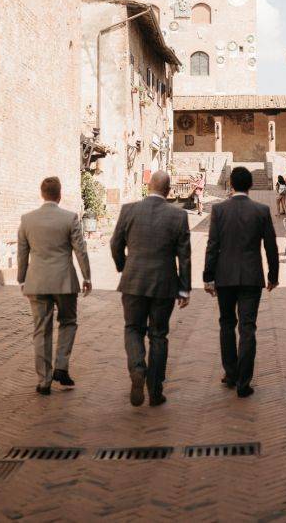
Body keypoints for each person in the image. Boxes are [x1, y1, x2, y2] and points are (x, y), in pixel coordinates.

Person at [110, 171, 191, 407]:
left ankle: (137, 368)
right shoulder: (178, 215)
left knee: (133, 328)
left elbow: (115, 244)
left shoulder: (129, 210)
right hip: (164, 285)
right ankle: (155, 391)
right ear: (168, 191)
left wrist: (124, 267)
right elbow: (184, 256)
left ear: (148, 186)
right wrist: (184, 289)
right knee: (158, 335)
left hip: (133, 281)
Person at [203, 167, 279, 398]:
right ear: (250, 185)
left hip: (224, 277)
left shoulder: (219, 210)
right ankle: (244, 383)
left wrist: (208, 276)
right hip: (251, 277)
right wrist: (273, 276)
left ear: (231, 184)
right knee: (247, 328)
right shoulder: (261, 210)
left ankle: (231, 373)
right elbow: (270, 247)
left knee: (226, 324)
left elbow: (213, 245)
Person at [17, 176, 92, 396]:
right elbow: (81, 250)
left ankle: (44, 381)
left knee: (41, 329)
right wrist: (86, 277)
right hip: (64, 281)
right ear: (60, 195)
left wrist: (22, 278)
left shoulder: (27, 219)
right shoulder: (69, 218)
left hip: (37, 282)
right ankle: (61, 366)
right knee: (68, 322)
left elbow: (22, 253)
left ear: (42, 194)